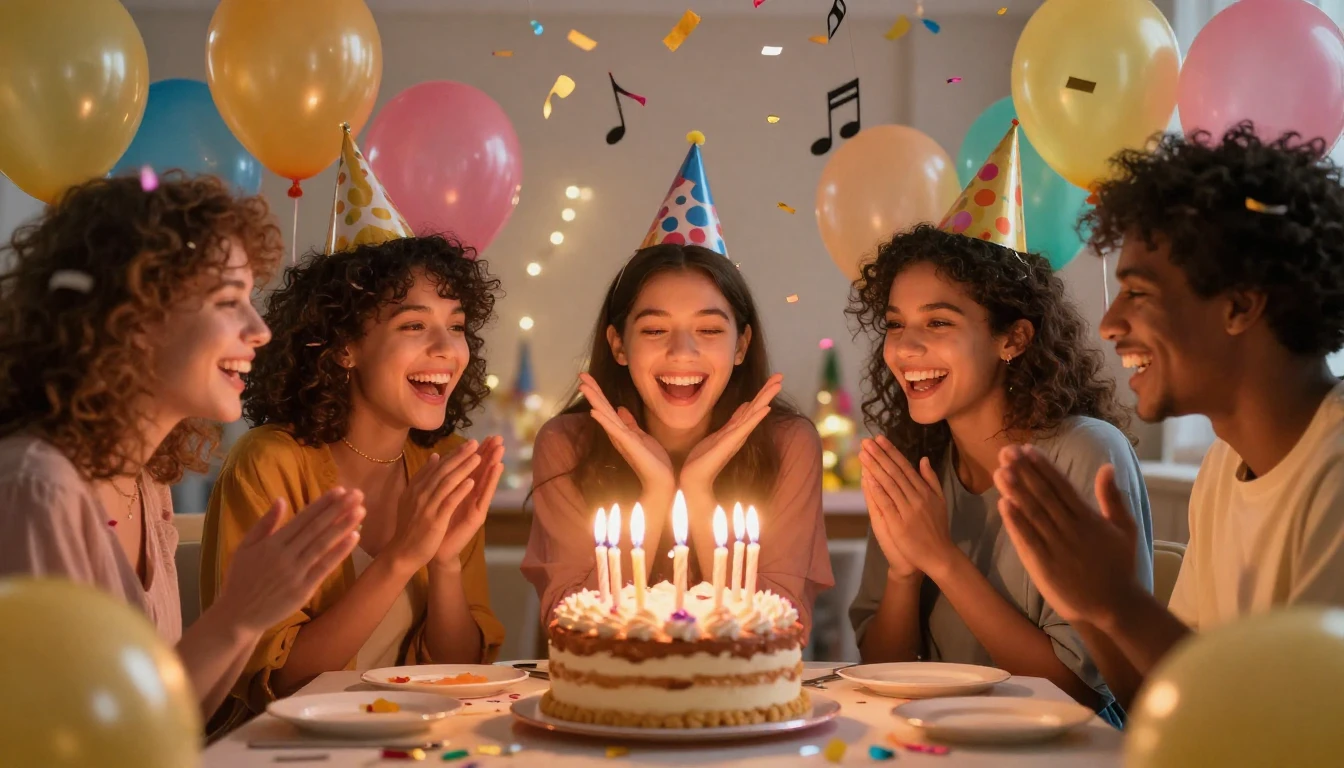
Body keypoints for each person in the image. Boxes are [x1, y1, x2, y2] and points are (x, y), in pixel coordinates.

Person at [994, 123, 1344, 709]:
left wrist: (1120, 603)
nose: (1108, 324)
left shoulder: (1333, 476)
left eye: (1139, 292)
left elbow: (1278, 733)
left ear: (1238, 305)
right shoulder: (1226, 465)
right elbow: (1159, 699)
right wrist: (1097, 608)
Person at [0, 174, 362, 721]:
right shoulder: (36, 489)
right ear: (133, 319)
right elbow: (86, 741)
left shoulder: (146, 482)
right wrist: (237, 615)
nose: (260, 329)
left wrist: (252, 613)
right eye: (228, 301)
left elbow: (180, 718)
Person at [845, 224, 1151, 725]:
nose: (905, 349)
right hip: (941, 741)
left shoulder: (1084, 451)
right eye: (895, 324)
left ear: (1013, 337)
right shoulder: (916, 461)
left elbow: (1081, 695)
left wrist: (942, 559)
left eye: (938, 323)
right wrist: (905, 572)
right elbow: (881, 672)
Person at [201, 234, 506, 728]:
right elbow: (279, 685)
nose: (447, 349)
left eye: (456, 326)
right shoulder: (271, 461)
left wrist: (446, 563)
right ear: (345, 348)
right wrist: (402, 558)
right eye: (414, 325)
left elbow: (463, 671)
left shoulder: (445, 463)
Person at [522, 243, 834, 632]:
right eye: (654, 329)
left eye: (709, 329)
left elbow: (785, 629)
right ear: (619, 344)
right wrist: (656, 488)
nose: (682, 352)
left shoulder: (789, 443)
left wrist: (698, 487)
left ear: (740, 345)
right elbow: (570, 627)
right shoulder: (567, 444)